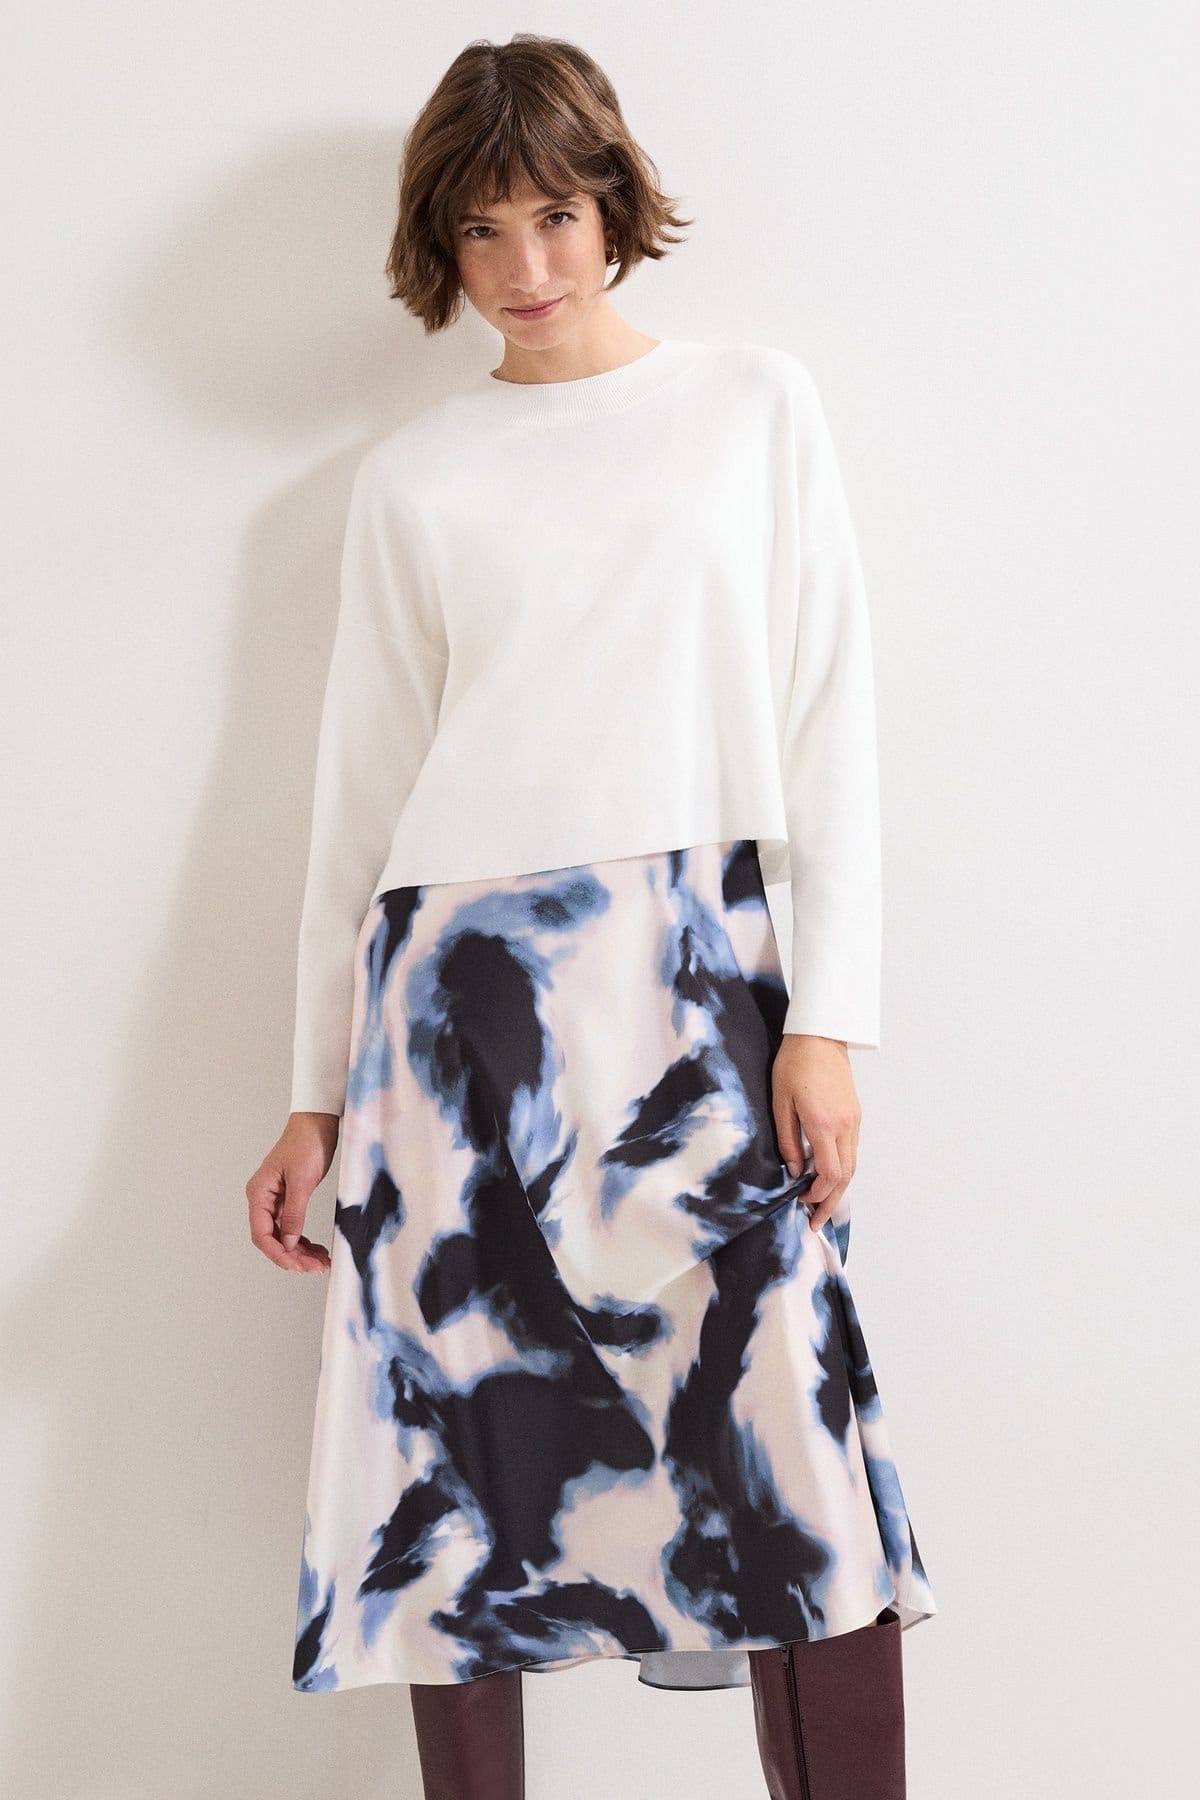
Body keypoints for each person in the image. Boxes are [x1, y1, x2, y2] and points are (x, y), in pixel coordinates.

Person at [245, 30, 937, 1800]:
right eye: (482, 231)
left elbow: (830, 724)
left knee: (793, 1466)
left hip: (700, 993)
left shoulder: (755, 408)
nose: (528, 266)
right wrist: (315, 1094)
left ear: (616, 203)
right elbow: (358, 804)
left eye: (555, 214)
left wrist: (828, 1020)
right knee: (457, 1480)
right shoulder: (413, 479)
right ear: (441, 248)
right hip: (458, 1017)